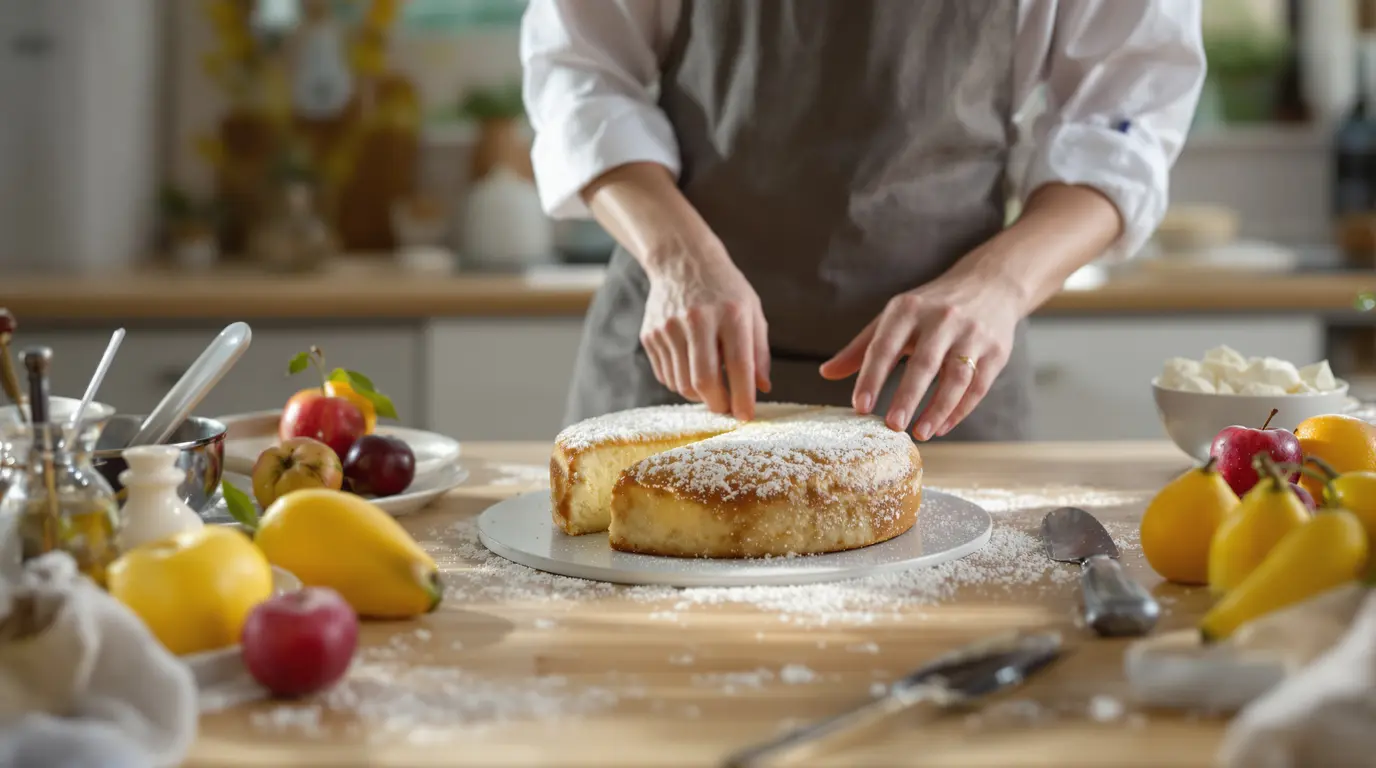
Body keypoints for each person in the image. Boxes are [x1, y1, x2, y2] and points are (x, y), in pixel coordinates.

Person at [520, 0, 1205, 441]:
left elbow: (1123, 129)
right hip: (677, 365)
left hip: (942, 384)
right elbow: (583, 76)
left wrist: (998, 285)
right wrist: (678, 259)